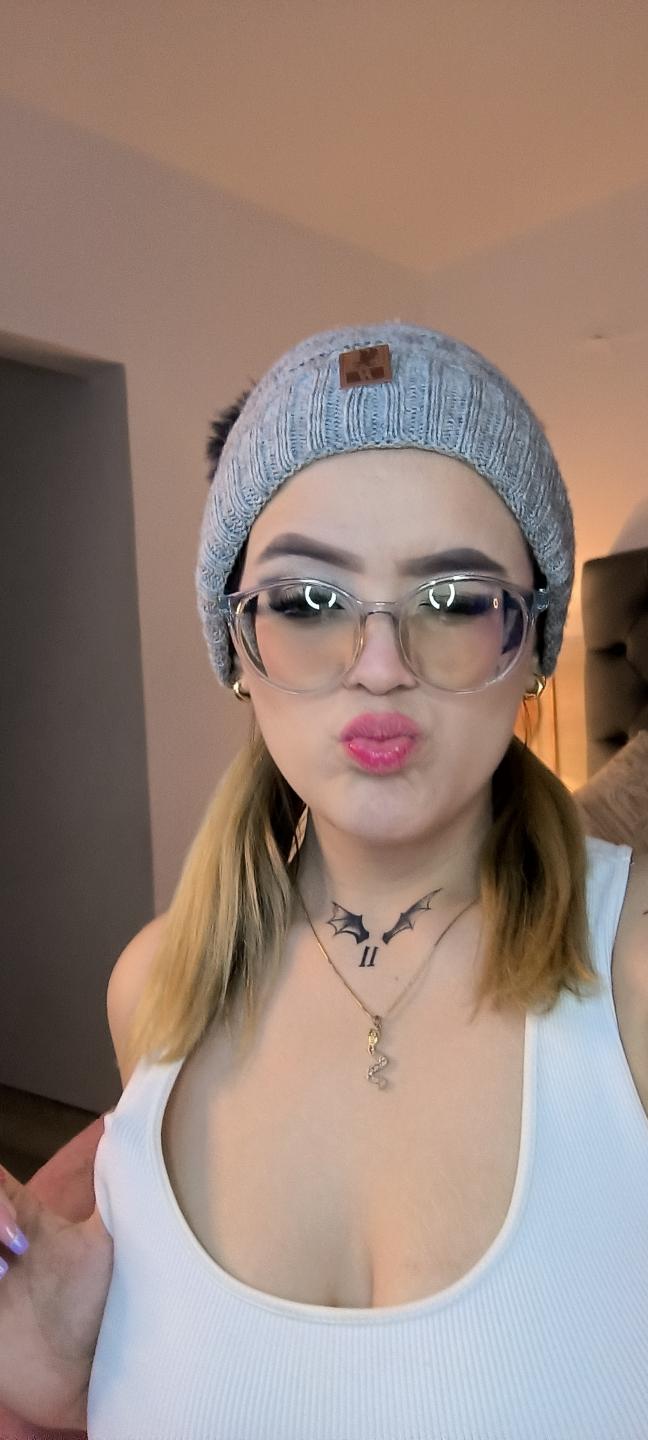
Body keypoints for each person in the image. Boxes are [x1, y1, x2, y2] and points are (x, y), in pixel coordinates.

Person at [1, 323, 646, 1439]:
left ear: (534, 646)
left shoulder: (633, 970)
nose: (379, 666)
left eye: (455, 600)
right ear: (237, 647)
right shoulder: (155, 990)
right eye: (306, 602)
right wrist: (62, 1362)